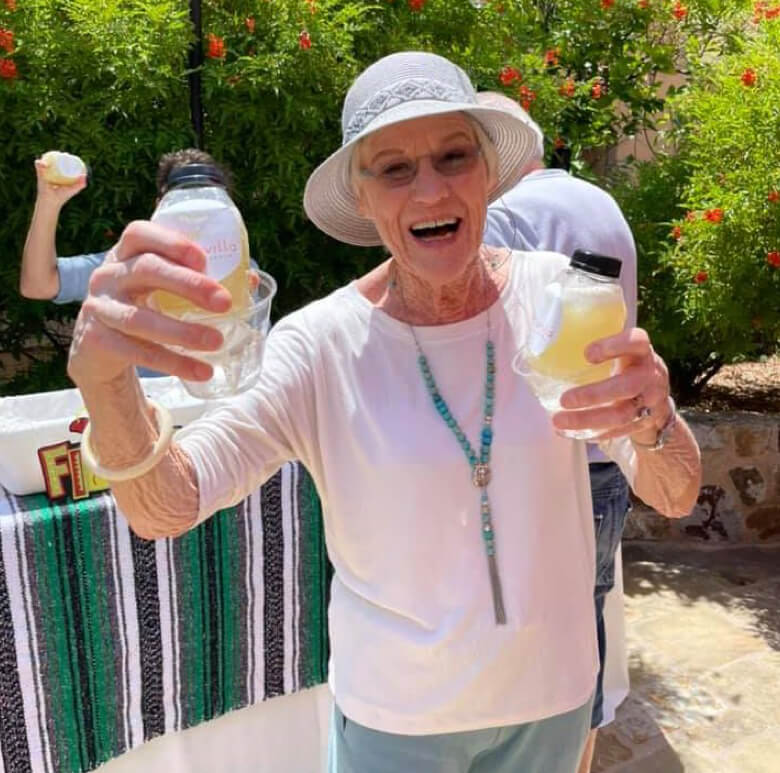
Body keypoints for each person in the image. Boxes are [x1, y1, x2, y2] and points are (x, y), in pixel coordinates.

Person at [66, 52, 701, 773]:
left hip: (551, 703)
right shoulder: (320, 345)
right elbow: (165, 504)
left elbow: (675, 491)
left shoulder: (562, 298)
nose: (429, 189)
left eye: (453, 155)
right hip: (396, 722)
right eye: (394, 169)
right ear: (362, 199)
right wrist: (106, 382)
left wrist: (654, 417)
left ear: (487, 173)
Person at [479, 91, 638, 773]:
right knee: (592, 610)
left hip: (546, 456)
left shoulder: (504, 217)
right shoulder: (603, 203)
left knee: (532, 625)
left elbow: (489, 342)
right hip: (612, 449)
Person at [19, 148, 234, 304]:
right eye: (183, 201)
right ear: (160, 205)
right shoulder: (125, 265)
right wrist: (48, 202)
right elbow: (38, 285)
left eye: (207, 201)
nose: (195, 213)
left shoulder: (240, 266)